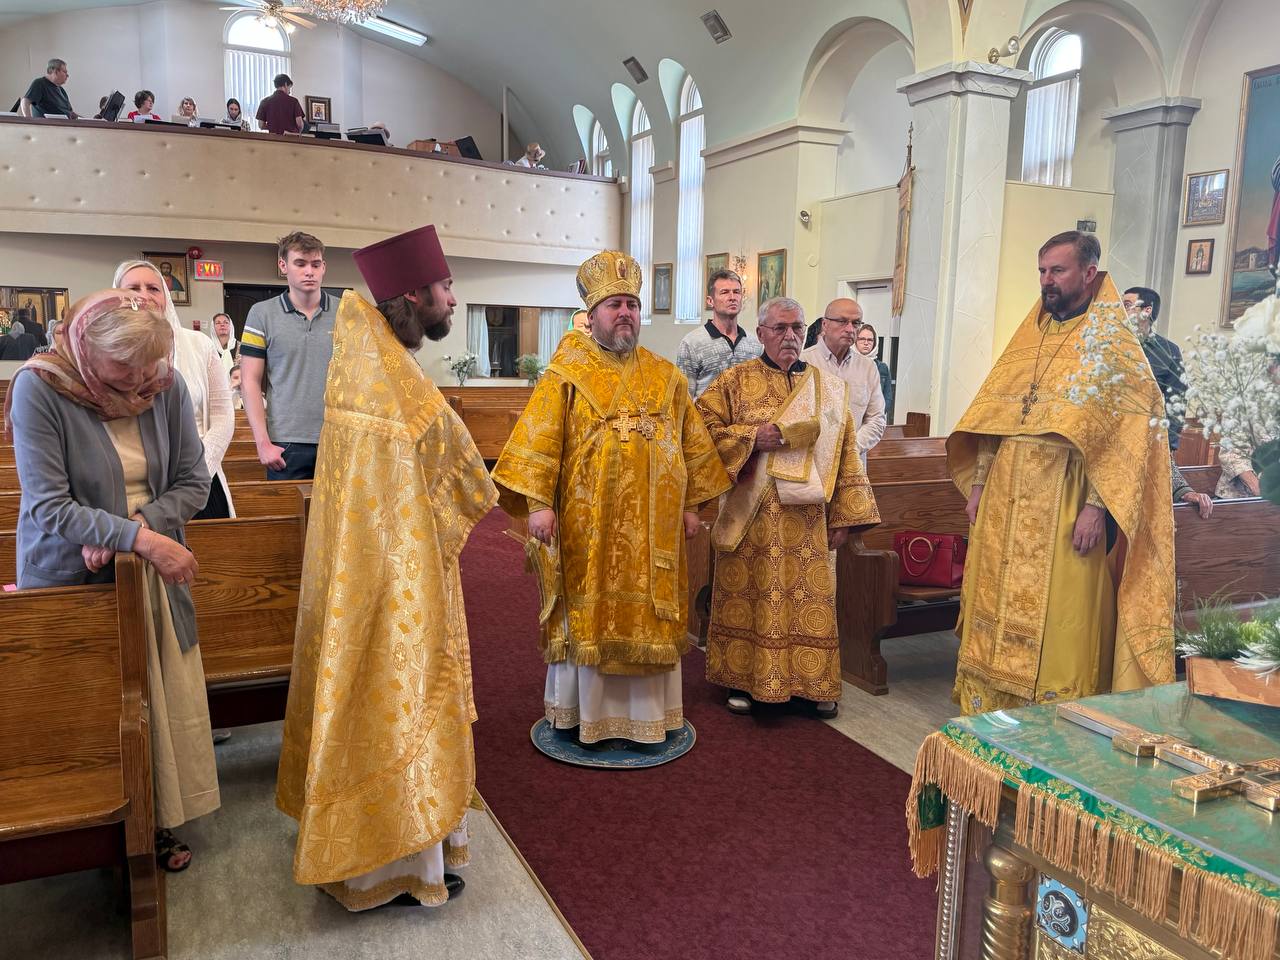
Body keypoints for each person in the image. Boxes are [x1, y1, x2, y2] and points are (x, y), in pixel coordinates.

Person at [277, 224, 496, 911]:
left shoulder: (370, 356)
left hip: (384, 561)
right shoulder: (383, 370)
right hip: (394, 571)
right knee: (394, 695)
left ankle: (398, 854)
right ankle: (384, 867)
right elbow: (455, 458)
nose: (453, 299)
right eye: (445, 287)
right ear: (412, 295)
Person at [4, 289, 218, 871]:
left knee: (159, 705)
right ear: (85, 350)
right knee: (90, 710)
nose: (141, 382)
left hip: (153, 571)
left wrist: (139, 527)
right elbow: (49, 506)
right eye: (125, 368)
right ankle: (93, 834)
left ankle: (158, 821)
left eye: (149, 366)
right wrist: (139, 540)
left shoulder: (163, 384)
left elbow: (194, 482)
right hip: (74, 574)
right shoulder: (41, 388)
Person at [492, 251, 730, 745]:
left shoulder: (666, 376)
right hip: (589, 527)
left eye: (632, 304)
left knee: (651, 614)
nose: (625, 313)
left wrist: (692, 506)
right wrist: (539, 504)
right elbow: (539, 440)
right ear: (593, 313)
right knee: (589, 614)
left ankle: (648, 720)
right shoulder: (566, 372)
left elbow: (692, 443)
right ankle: (585, 716)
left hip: (654, 530)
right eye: (614, 305)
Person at [948, 232, 1174, 715]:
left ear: (1089, 273)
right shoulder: (1031, 334)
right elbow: (994, 420)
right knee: (994, 599)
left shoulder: (1113, 342)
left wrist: (1097, 507)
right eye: (1042, 271)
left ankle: (1054, 719)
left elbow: (1129, 430)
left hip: (1067, 498)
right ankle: (987, 711)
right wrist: (980, 483)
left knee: (1061, 615)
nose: (1046, 281)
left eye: (1058, 271)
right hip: (1005, 497)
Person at [697, 297, 880, 719]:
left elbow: (846, 455)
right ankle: (743, 681)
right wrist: (751, 438)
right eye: (779, 328)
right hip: (752, 520)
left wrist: (844, 518)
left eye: (797, 328)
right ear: (761, 333)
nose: (789, 336)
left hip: (808, 522)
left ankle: (810, 684)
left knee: (807, 602)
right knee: (752, 597)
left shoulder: (828, 388)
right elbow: (702, 430)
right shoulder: (735, 380)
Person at [114, 259, 236, 520]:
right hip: (135, 485)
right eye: (133, 288)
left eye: (153, 288)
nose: (144, 296)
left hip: (200, 475)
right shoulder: (107, 352)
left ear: (166, 296)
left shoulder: (199, 344)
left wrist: (198, 472)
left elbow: (223, 417)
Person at [239, 231, 334, 480]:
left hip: (338, 437)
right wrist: (262, 443)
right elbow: (249, 381)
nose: (309, 271)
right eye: (300, 264)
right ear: (283, 266)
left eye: (315, 264)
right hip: (286, 443)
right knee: (289, 507)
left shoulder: (345, 311)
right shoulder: (261, 314)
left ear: (324, 267)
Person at [801, 298, 886, 463]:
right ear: (825, 324)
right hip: (811, 462)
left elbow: (876, 418)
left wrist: (852, 447)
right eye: (842, 321)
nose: (850, 329)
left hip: (852, 461)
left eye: (856, 323)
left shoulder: (867, 367)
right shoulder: (803, 362)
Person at [675, 270, 763, 398]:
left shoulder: (755, 344)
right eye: (725, 292)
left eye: (736, 292)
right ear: (710, 301)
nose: (732, 297)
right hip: (705, 410)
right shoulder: (691, 343)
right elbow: (684, 398)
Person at [1122, 286, 1185, 449]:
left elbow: (1176, 403)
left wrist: (1168, 447)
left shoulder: (1169, 351)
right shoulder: (1108, 344)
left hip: (1145, 440)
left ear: (1147, 310)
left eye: (1127, 305)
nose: (1120, 310)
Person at [855, 323, 893, 420]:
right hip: (852, 419)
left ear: (875, 343)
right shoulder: (847, 363)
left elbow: (887, 398)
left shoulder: (882, 368)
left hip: (875, 420)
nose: (866, 343)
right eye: (862, 339)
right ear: (855, 341)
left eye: (870, 340)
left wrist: (876, 414)